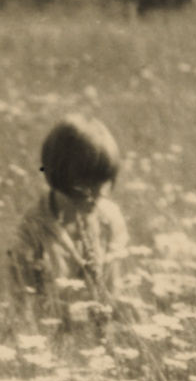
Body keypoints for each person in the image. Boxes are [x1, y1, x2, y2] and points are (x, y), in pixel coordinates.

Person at [8, 116, 130, 319]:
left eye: (105, 183)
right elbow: (24, 305)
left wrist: (121, 310)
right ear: (63, 176)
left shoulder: (110, 219)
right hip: (49, 339)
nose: (101, 195)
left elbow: (115, 289)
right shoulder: (32, 229)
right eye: (91, 185)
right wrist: (80, 314)